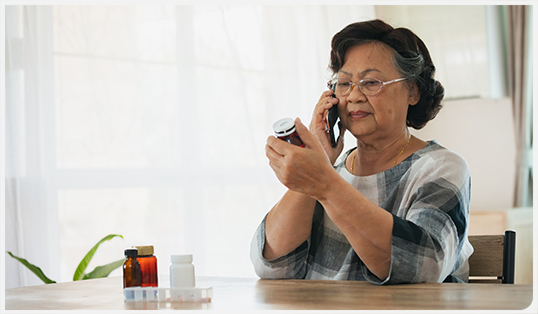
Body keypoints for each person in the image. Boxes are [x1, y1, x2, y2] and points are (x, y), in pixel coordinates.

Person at [250, 19, 473, 284]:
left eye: (371, 82)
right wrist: (316, 166)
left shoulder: (441, 168)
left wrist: (324, 182)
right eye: (344, 84)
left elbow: (422, 266)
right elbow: (272, 266)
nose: (354, 96)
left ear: (412, 91)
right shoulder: (330, 172)